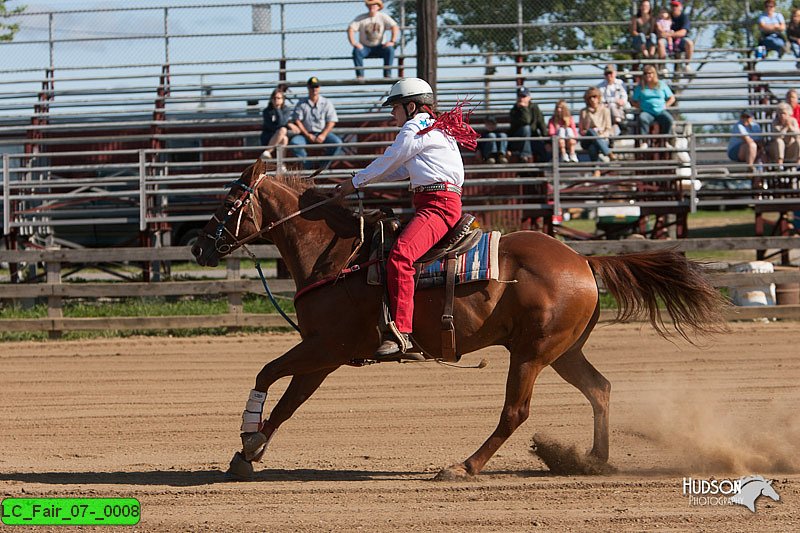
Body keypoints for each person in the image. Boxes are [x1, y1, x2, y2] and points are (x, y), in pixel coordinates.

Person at [335, 78, 479, 358]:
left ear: (410, 106)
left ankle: (403, 333)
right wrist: (363, 181)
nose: (392, 113)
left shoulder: (415, 126)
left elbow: (391, 159)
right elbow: (400, 170)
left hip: (437, 206)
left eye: (395, 107)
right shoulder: (435, 128)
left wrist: (355, 182)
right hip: (439, 202)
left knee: (401, 256)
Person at [289, 77, 343, 170]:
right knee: (295, 143)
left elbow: (332, 121)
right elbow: (297, 120)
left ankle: (322, 167)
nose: (314, 89)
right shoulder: (301, 103)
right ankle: (308, 166)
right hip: (305, 134)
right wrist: (307, 135)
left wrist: (323, 135)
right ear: (308, 88)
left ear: (319, 88)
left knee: (337, 143)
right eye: (312, 87)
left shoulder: (326, 102)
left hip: (322, 133)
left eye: (316, 87)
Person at [347, 0, 399, 80]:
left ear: (378, 7)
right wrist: (354, 43)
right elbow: (350, 29)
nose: (372, 7)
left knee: (389, 50)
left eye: (374, 5)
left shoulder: (383, 16)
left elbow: (394, 26)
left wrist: (392, 41)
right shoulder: (361, 18)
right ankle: (360, 75)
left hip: (380, 46)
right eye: (370, 5)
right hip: (365, 47)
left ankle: (387, 75)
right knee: (357, 50)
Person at [632, 64, 676, 139]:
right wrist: (641, 106)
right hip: (647, 112)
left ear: (654, 74)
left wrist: (665, 106)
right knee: (642, 117)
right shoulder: (640, 87)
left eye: (650, 73)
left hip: (660, 111)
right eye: (645, 73)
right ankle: (644, 141)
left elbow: (672, 98)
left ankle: (665, 140)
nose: (647, 75)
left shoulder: (661, 84)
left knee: (669, 120)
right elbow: (633, 100)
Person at [509, 86, 547, 163]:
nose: (521, 98)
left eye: (524, 96)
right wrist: (524, 109)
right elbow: (527, 121)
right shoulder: (514, 111)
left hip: (532, 138)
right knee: (526, 128)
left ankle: (543, 172)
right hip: (518, 140)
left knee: (545, 150)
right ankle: (526, 156)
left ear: (529, 97)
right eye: (519, 96)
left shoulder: (535, 108)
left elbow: (541, 124)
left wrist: (547, 142)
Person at [579, 87, 616, 163]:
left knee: (592, 148)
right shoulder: (583, 112)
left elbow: (608, 128)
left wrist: (600, 136)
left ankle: (596, 170)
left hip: (602, 138)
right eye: (590, 97)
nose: (592, 99)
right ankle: (608, 153)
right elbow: (581, 130)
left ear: (598, 98)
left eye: (594, 97)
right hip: (587, 139)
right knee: (591, 131)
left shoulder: (605, 110)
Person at [260, 88, 299, 159]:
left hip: (280, 135)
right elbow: (271, 126)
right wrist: (288, 124)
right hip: (268, 136)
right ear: (271, 99)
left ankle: (268, 153)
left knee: (284, 138)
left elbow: (281, 122)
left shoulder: (286, 110)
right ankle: (268, 152)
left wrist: (278, 109)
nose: (276, 100)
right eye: (274, 98)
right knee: (283, 130)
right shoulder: (267, 111)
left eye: (278, 98)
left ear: (282, 99)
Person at [657, 0, 694, 72]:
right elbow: (659, 25)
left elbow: (683, 32)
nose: (674, 7)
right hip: (667, 40)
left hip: (680, 40)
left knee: (690, 43)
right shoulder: (666, 15)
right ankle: (663, 67)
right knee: (660, 42)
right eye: (672, 5)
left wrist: (669, 34)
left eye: (676, 6)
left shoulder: (684, 17)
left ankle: (687, 65)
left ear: (680, 7)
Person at [767, 102, 800, 169]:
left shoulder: (793, 121)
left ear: (789, 114)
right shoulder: (775, 122)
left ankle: (798, 163)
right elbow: (779, 136)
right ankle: (780, 163)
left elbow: (797, 135)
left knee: (799, 141)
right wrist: (786, 128)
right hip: (776, 150)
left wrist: (790, 127)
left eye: (784, 113)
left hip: (790, 148)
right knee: (779, 141)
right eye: (780, 113)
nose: (782, 115)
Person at [597, 64, 630, 130]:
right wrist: (615, 100)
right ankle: (619, 123)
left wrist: (620, 101)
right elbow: (602, 101)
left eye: (610, 73)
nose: (609, 75)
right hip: (606, 110)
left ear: (615, 73)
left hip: (619, 108)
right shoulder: (600, 86)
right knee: (611, 107)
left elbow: (624, 97)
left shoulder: (620, 83)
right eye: (607, 74)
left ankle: (616, 127)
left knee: (612, 108)